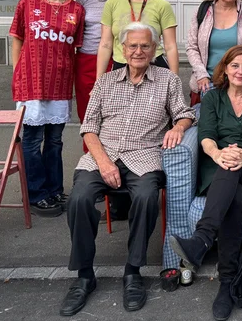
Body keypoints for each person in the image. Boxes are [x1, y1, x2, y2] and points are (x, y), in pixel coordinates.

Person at [59, 22, 195, 316]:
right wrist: (104, 162)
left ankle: (133, 271)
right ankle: (84, 275)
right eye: (132, 46)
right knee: (79, 198)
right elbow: (89, 128)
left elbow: (185, 114)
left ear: (154, 49)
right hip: (102, 155)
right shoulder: (105, 82)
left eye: (145, 46)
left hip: (145, 155)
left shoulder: (168, 80)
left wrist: (178, 128)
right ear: (122, 50)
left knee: (146, 196)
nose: (138, 51)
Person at [169, 45, 242, 321]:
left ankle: (202, 239)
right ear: (225, 69)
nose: (240, 71)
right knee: (234, 196)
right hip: (218, 163)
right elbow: (205, 134)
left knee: (233, 170)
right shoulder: (213, 98)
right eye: (235, 66)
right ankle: (227, 283)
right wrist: (219, 154)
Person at [9, 0, 85, 218]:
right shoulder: (27, 4)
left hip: (60, 83)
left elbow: (75, 49)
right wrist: (18, 71)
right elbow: (17, 39)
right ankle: (36, 193)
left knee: (55, 141)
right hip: (30, 82)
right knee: (31, 141)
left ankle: (54, 190)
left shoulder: (76, 10)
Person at [74, 0, 128, 148]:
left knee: (115, 114)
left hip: (116, 60)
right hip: (86, 61)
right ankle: (91, 160)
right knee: (88, 113)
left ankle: (115, 160)